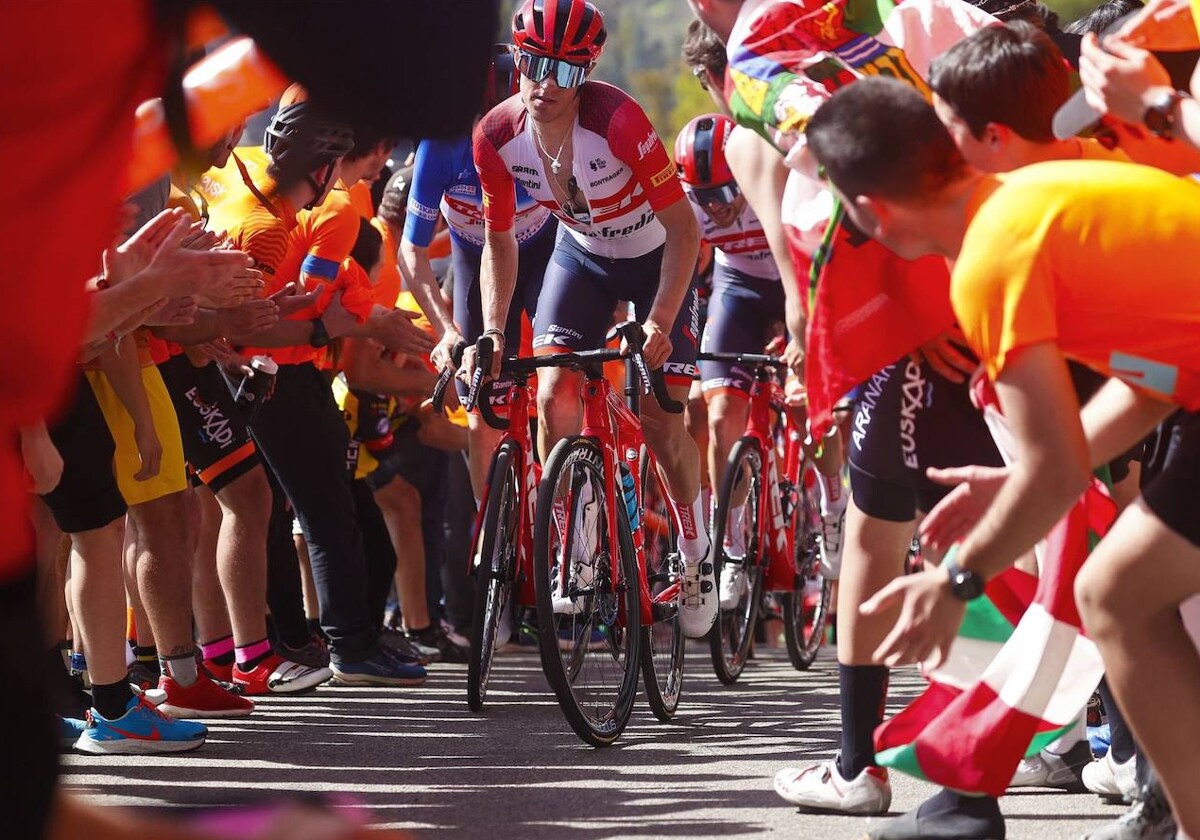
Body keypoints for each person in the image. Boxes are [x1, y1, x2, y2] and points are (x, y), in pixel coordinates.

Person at [806, 73, 1200, 840]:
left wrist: (956, 582)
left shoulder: (989, 260)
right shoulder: (1023, 199)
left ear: (868, 211)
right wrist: (1024, 477)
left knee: (1115, 595)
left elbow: (1057, 470)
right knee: (1118, 593)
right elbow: (1154, 379)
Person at [468, 0, 716, 637]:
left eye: (565, 72)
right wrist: (494, 329)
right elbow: (498, 241)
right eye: (532, 65)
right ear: (517, 59)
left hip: (657, 257)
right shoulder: (495, 135)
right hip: (581, 257)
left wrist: (660, 319)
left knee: (664, 423)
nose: (545, 85)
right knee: (552, 393)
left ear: (588, 73)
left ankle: (695, 552)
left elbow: (685, 228)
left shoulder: (618, 122)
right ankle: (576, 545)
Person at [206, 89, 431, 687]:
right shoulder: (291, 223)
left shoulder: (255, 176)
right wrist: (351, 319)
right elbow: (280, 316)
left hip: (269, 372)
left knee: (280, 513)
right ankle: (334, 646)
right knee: (317, 515)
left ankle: (293, 642)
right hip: (274, 375)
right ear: (328, 162)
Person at [414, 46, 558, 501]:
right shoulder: (439, 148)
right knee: (478, 402)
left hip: (542, 254)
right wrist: (444, 331)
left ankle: (565, 513)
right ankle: (491, 539)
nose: (494, 137)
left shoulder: (540, 136)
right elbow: (411, 251)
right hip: (475, 263)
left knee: (559, 381)